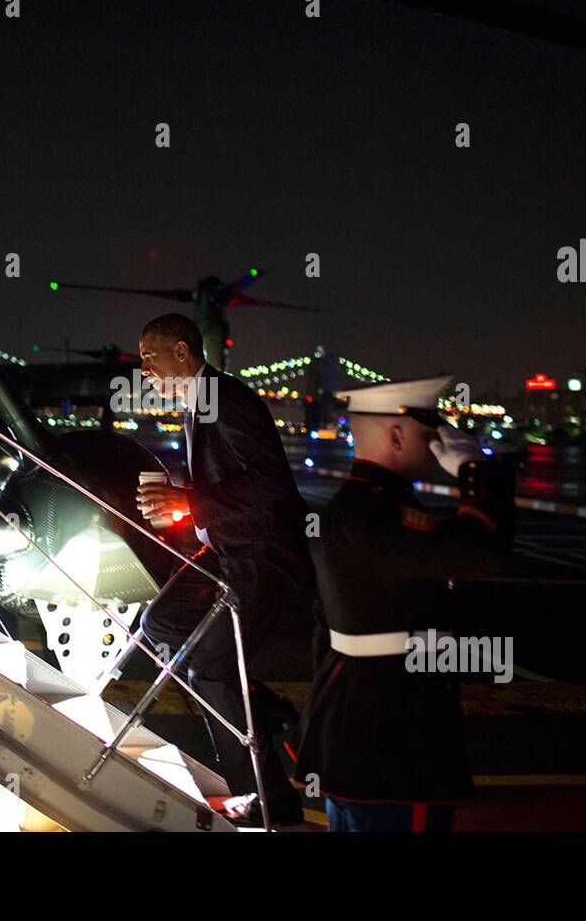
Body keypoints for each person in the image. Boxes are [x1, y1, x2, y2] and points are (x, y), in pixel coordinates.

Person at [294, 376, 516, 832]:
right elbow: (483, 555)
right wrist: (475, 473)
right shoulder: (380, 514)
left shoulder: (350, 507)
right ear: (396, 435)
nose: (436, 444)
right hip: (393, 735)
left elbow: (324, 623)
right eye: (427, 433)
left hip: (353, 723)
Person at [135, 313, 314, 827]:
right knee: (161, 624)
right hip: (224, 549)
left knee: (209, 668)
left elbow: (269, 483)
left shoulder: (226, 399)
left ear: (183, 353)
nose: (143, 368)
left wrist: (188, 497)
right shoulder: (199, 402)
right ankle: (270, 709)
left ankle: (266, 797)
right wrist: (179, 502)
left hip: (262, 556)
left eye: (150, 356)